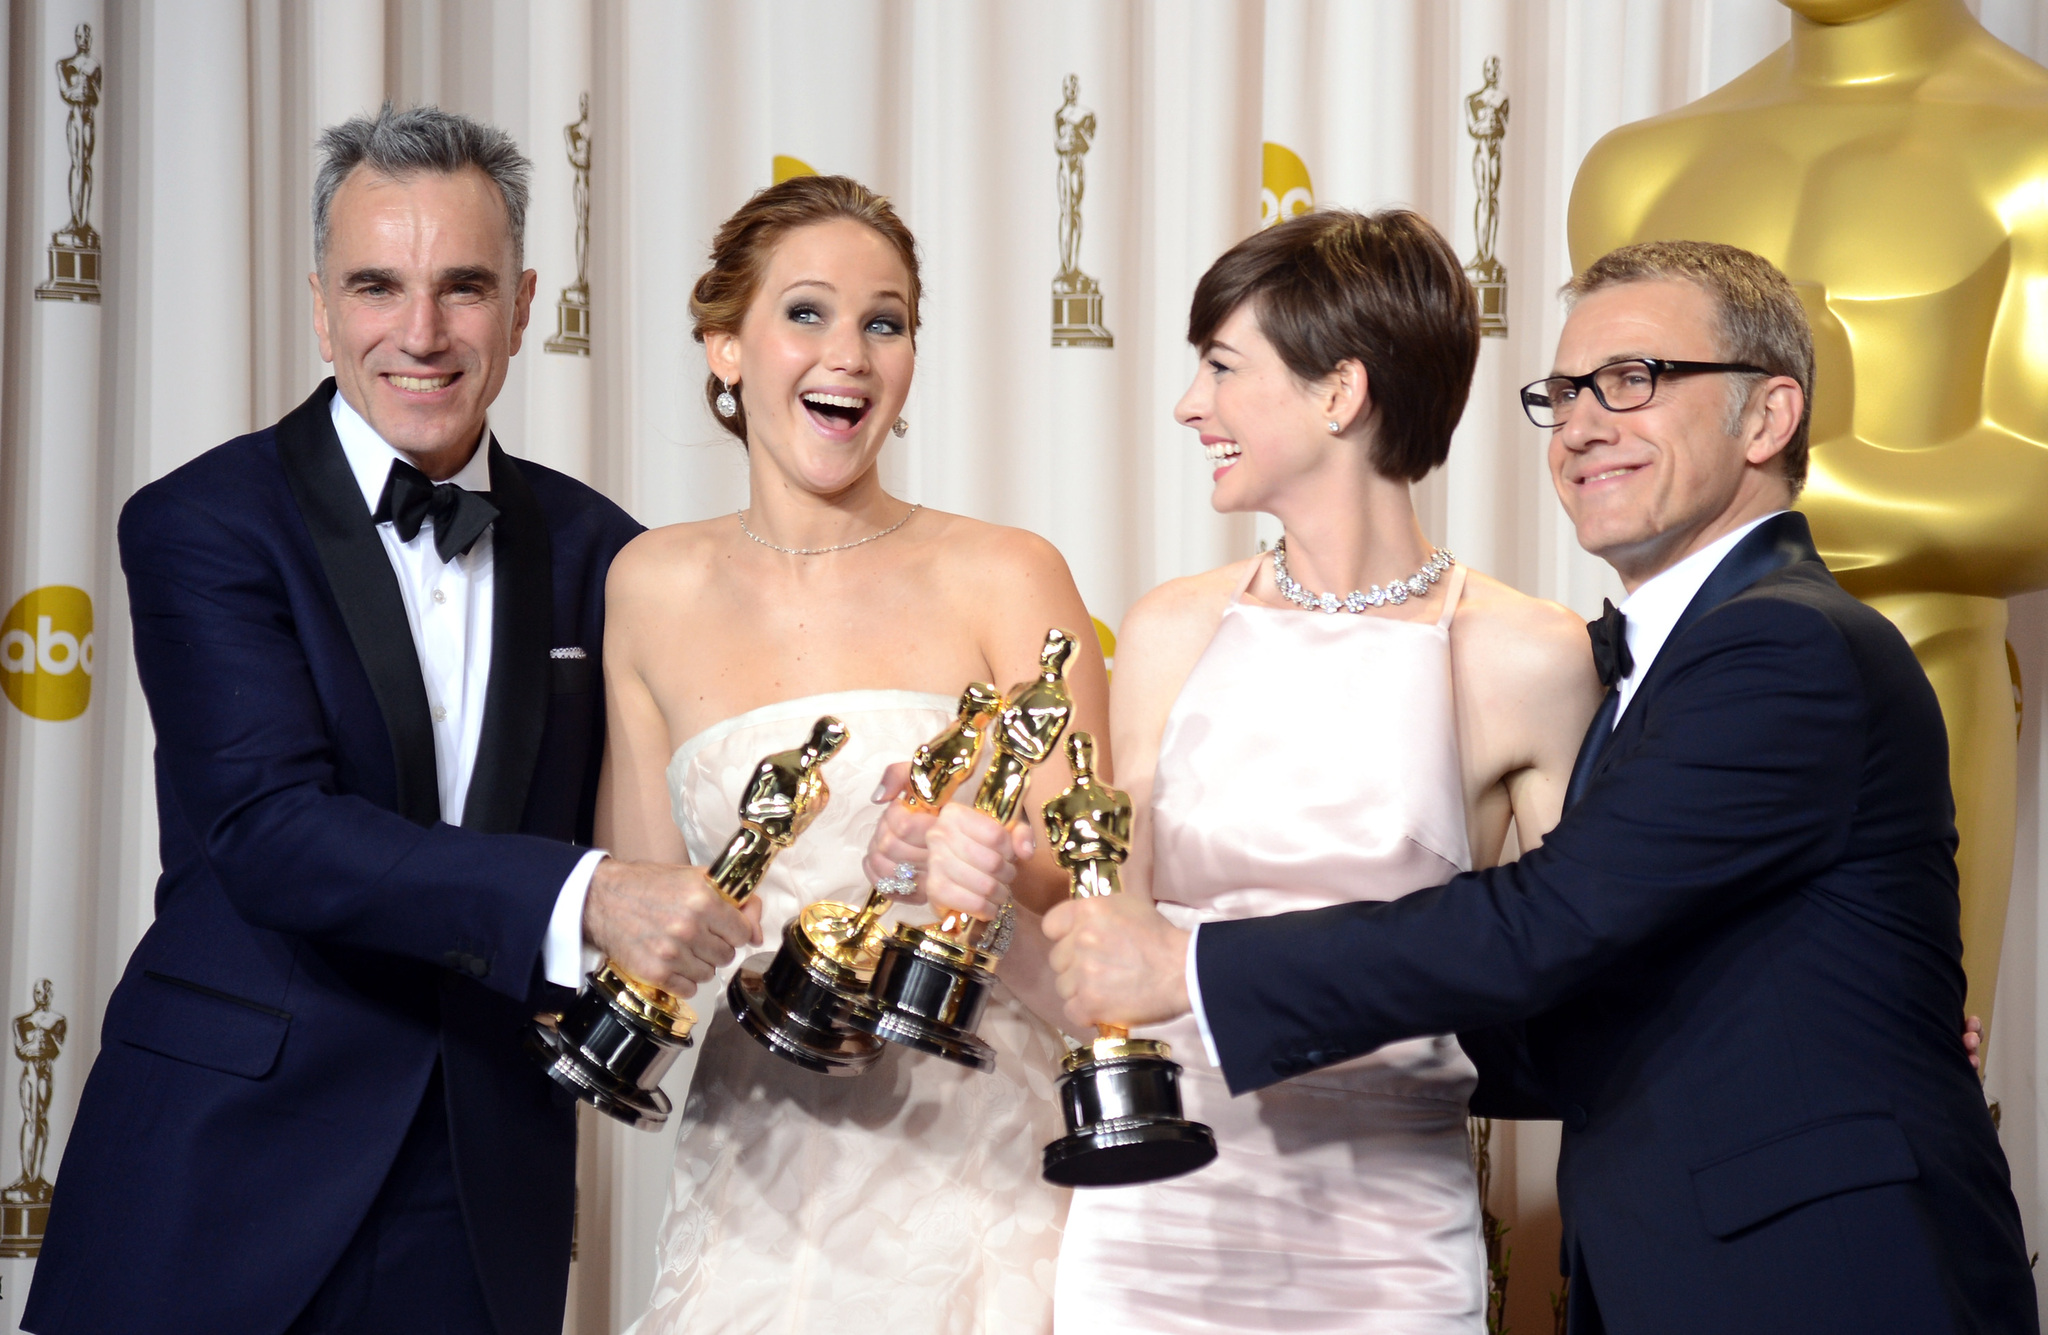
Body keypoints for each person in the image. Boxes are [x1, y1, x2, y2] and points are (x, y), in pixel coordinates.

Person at [1044, 240, 2038, 1334]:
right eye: (1562, 392)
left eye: (1633, 381)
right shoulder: (1674, 660)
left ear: (1764, 420)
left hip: (1816, 1270)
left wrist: (1191, 966)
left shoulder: (1781, 649)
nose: (1579, 424)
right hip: (1675, 1257)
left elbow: (1550, 920)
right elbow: (1587, 986)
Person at [24, 106, 755, 1335]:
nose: (420, 333)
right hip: (223, 1171)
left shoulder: (600, 550)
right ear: (320, 304)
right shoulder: (201, 522)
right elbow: (270, 831)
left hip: (481, 1188)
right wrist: (582, 898)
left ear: (523, 305)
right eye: (377, 285)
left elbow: (689, 794)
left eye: (463, 287)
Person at [924, 208, 1600, 1331]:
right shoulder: (1166, 630)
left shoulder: (1529, 655)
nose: (1191, 405)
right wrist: (980, 896)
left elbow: (1597, 963)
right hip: (1155, 1223)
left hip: (1385, 1239)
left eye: (1222, 368)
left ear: (1339, 393)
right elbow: (1104, 957)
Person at [612, 174, 1110, 1335]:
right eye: (806, 313)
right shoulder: (645, 587)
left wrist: (970, 873)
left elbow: (1098, 905)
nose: (848, 354)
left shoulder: (1006, 573)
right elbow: (650, 924)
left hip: (980, 1174)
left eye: (883, 322)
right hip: (756, 1184)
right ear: (723, 347)